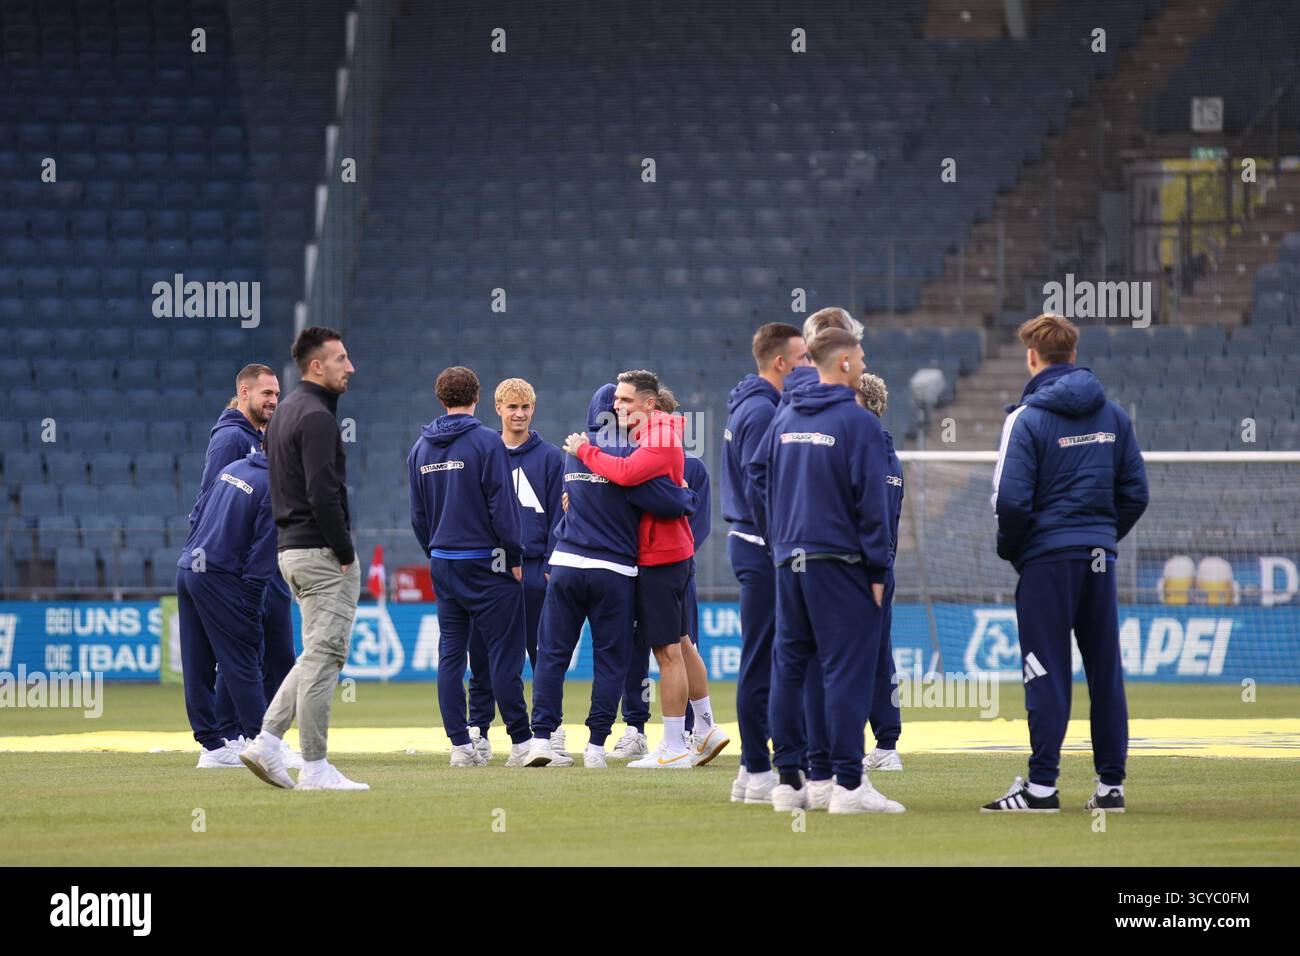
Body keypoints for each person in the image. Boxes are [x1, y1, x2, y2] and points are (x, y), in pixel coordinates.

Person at [982, 314, 1148, 813]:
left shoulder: (1027, 419)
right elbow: (1135, 494)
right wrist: (1099, 537)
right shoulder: (1115, 416)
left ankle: (1041, 789)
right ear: (1073, 354)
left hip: (1047, 562)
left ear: (1032, 357)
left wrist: (1020, 549)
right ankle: (1111, 788)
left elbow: (1010, 502)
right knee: (1105, 671)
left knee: (1045, 670)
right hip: (1098, 559)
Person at [760, 327, 904, 814]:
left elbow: (765, 485)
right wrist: (879, 568)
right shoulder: (859, 425)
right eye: (859, 356)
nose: (863, 363)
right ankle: (847, 785)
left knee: (790, 667)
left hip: (788, 559)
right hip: (841, 563)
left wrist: (781, 543)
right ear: (842, 362)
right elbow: (872, 504)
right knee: (845, 671)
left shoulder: (784, 418)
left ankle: (791, 783)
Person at [526, 384, 698, 768]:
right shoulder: (632, 454)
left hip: (567, 562)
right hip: (614, 570)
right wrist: (686, 496)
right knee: (609, 661)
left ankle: (541, 740)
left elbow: (566, 504)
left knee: (551, 655)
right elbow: (661, 501)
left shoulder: (572, 452)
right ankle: (596, 747)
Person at [563, 369, 728, 769]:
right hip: (670, 556)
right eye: (616, 400)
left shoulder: (657, 437)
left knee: (667, 653)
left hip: (660, 558)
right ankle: (705, 727)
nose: (616, 407)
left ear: (649, 404)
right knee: (684, 644)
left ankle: (673, 745)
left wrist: (584, 451)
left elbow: (625, 475)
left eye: (625, 401)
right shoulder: (655, 435)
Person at [241, 326, 366, 791]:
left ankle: (268, 743)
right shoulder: (315, 416)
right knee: (326, 656)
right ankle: (314, 766)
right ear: (317, 365)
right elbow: (322, 492)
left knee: (315, 654)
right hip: (320, 551)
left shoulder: (286, 412)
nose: (349, 367)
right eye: (341, 359)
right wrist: (345, 551)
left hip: (290, 549)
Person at [408, 366, 532, 769]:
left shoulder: (420, 449)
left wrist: (436, 550)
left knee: (451, 655)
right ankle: (521, 743)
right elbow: (503, 506)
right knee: (503, 654)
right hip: (487, 563)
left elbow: (418, 516)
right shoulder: (486, 442)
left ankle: (461, 745)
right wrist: (514, 557)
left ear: (441, 399)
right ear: (477, 397)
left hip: (444, 563)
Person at [189, 363, 300, 770]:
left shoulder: (251, 437)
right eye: (266, 393)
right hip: (241, 565)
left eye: (276, 394)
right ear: (243, 392)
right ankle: (256, 737)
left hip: (255, 561)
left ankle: (232, 735)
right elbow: (211, 502)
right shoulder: (232, 439)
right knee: (263, 654)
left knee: (264, 653)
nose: (273, 400)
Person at [721, 322, 810, 802]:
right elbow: (762, 484)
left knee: (769, 657)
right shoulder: (761, 409)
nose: (808, 366)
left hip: (756, 541)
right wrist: (781, 541)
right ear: (780, 362)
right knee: (764, 659)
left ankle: (752, 768)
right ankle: (757, 767)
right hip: (761, 544)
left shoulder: (753, 404)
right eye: (802, 359)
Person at [465, 378, 564, 763]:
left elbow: (560, 514)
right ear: (498, 409)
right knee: (483, 654)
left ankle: (549, 729)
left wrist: (551, 565)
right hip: (492, 569)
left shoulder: (551, 458)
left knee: (544, 655)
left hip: (537, 569)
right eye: (511, 407)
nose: (518, 414)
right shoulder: (484, 451)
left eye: (525, 407)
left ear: (533, 409)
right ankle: (479, 729)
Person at [617, 385, 711, 751]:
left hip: (666, 564)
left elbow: (696, 522)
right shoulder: (634, 453)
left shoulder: (684, 465)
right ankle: (636, 727)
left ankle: (687, 731)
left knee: (675, 648)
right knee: (648, 649)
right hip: (644, 563)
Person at [176, 449, 277, 768]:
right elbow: (263, 555)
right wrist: (250, 605)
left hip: (189, 566)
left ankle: (212, 747)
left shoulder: (234, 467)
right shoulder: (277, 485)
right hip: (221, 576)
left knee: (198, 662)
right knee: (244, 661)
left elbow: (197, 512)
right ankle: (263, 745)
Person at [854, 372, 904, 772]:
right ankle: (886, 744)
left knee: (843, 656)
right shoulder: (891, 456)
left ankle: (844, 745)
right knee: (877, 654)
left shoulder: (862, 450)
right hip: (881, 566)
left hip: (857, 567)